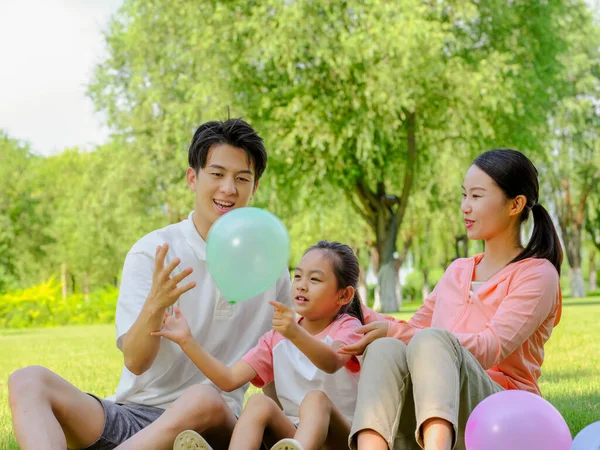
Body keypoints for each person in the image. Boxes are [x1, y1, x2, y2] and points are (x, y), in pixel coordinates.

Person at [8, 118, 292, 450]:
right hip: (134, 420)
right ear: (192, 178)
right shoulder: (153, 252)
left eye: (242, 179)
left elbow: (277, 364)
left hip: (213, 426)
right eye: (217, 174)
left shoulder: (270, 269)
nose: (228, 188)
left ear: (254, 188)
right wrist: (155, 305)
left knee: (204, 397)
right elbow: (136, 362)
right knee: (27, 380)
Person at [339, 149, 564, 450]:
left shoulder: (537, 274)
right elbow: (410, 329)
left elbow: (491, 347)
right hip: (437, 402)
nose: (465, 207)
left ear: (515, 204)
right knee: (384, 348)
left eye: (476, 196)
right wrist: (349, 305)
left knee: (432, 340)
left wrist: (412, 335)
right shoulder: (458, 270)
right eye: (464, 196)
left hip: (503, 415)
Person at [154, 241, 367, 450]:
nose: (301, 284)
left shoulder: (348, 327)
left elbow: (331, 361)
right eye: (298, 276)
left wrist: (294, 333)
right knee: (258, 403)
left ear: (344, 295)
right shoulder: (277, 338)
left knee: (316, 400)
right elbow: (228, 379)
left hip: (342, 440)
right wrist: (186, 340)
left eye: (315, 279)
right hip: (293, 438)